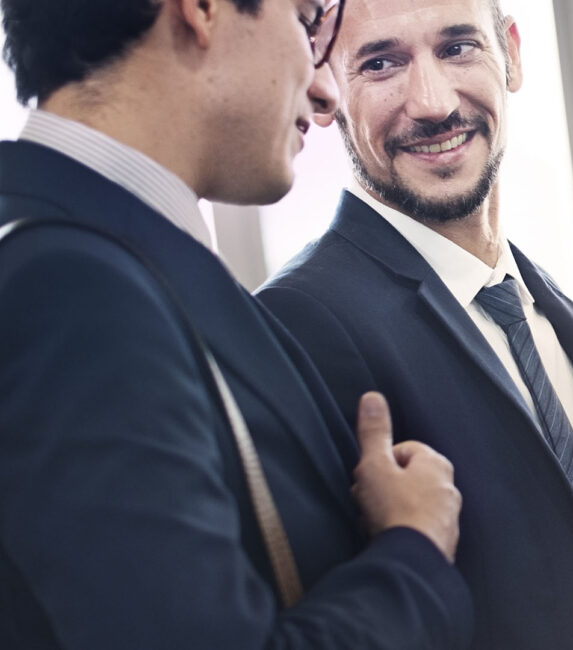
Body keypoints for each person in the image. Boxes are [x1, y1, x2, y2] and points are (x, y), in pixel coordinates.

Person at [0, 0, 472, 647]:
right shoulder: (70, 290)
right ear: (202, 10)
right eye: (305, 21)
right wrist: (415, 551)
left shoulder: (106, 262)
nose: (326, 92)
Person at [255, 0, 573, 647]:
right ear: (323, 85)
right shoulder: (295, 326)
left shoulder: (539, 302)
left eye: (458, 47)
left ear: (511, 54)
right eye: (381, 64)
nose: (433, 103)